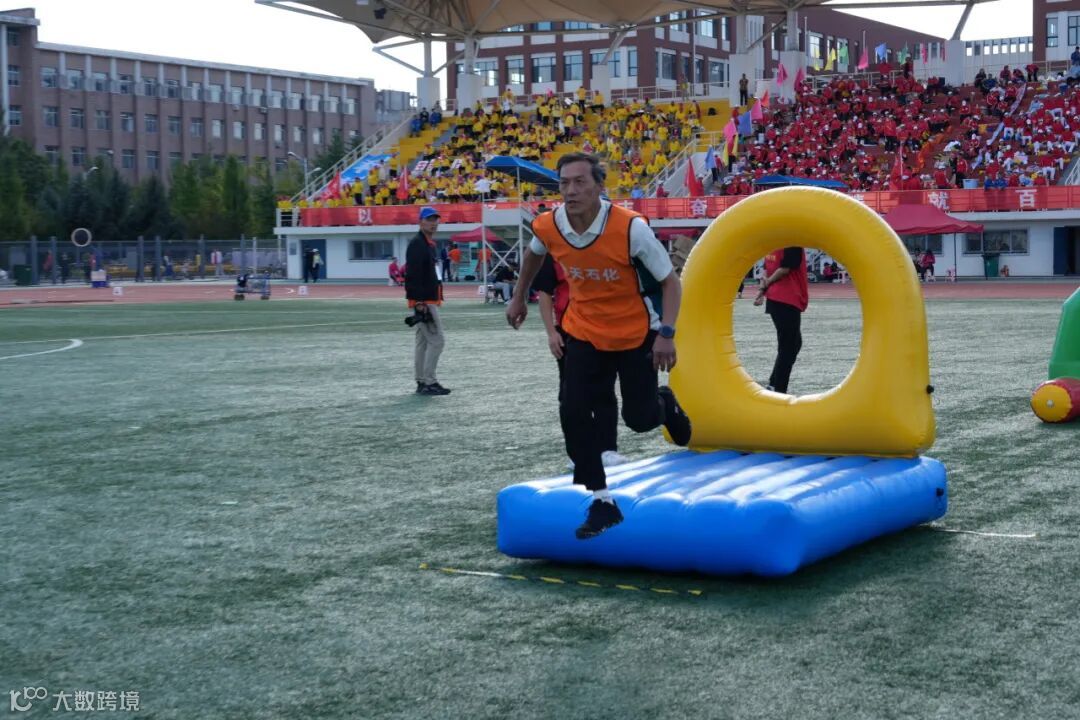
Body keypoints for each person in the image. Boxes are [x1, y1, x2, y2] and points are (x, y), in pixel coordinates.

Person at [506, 152, 692, 540]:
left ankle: (665, 405)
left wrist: (667, 333)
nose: (570, 191)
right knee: (572, 409)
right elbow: (533, 255)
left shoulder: (630, 228)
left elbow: (670, 282)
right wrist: (519, 296)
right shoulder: (549, 224)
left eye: (580, 182)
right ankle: (602, 500)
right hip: (584, 331)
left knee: (639, 418)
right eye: (564, 183)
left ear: (599, 187)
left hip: (635, 332)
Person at [532, 253, 627, 468]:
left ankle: (607, 448)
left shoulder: (604, 247)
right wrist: (551, 332)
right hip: (568, 331)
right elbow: (545, 293)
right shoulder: (554, 251)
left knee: (604, 387)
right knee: (570, 393)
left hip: (603, 329)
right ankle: (579, 450)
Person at [406, 207, 451, 396]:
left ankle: (422, 381)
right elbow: (412, 274)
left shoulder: (426, 243)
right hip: (424, 301)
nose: (433, 223)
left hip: (425, 299)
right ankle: (429, 381)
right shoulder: (418, 244)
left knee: (423, 342)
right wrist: (419, 302)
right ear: (420, 222)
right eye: (429, 219)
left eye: (435, 220)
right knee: (437, 341)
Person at [753, 246, 809, 395]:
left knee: (791, 344)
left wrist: (762, 290)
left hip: (776, 298)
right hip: (787, 298)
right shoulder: (792, 242)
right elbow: (785, 269)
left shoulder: (773, 244)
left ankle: (774, 383)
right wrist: (766, 285)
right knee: (789, 346)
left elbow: (766, 270)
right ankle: (778, 388)